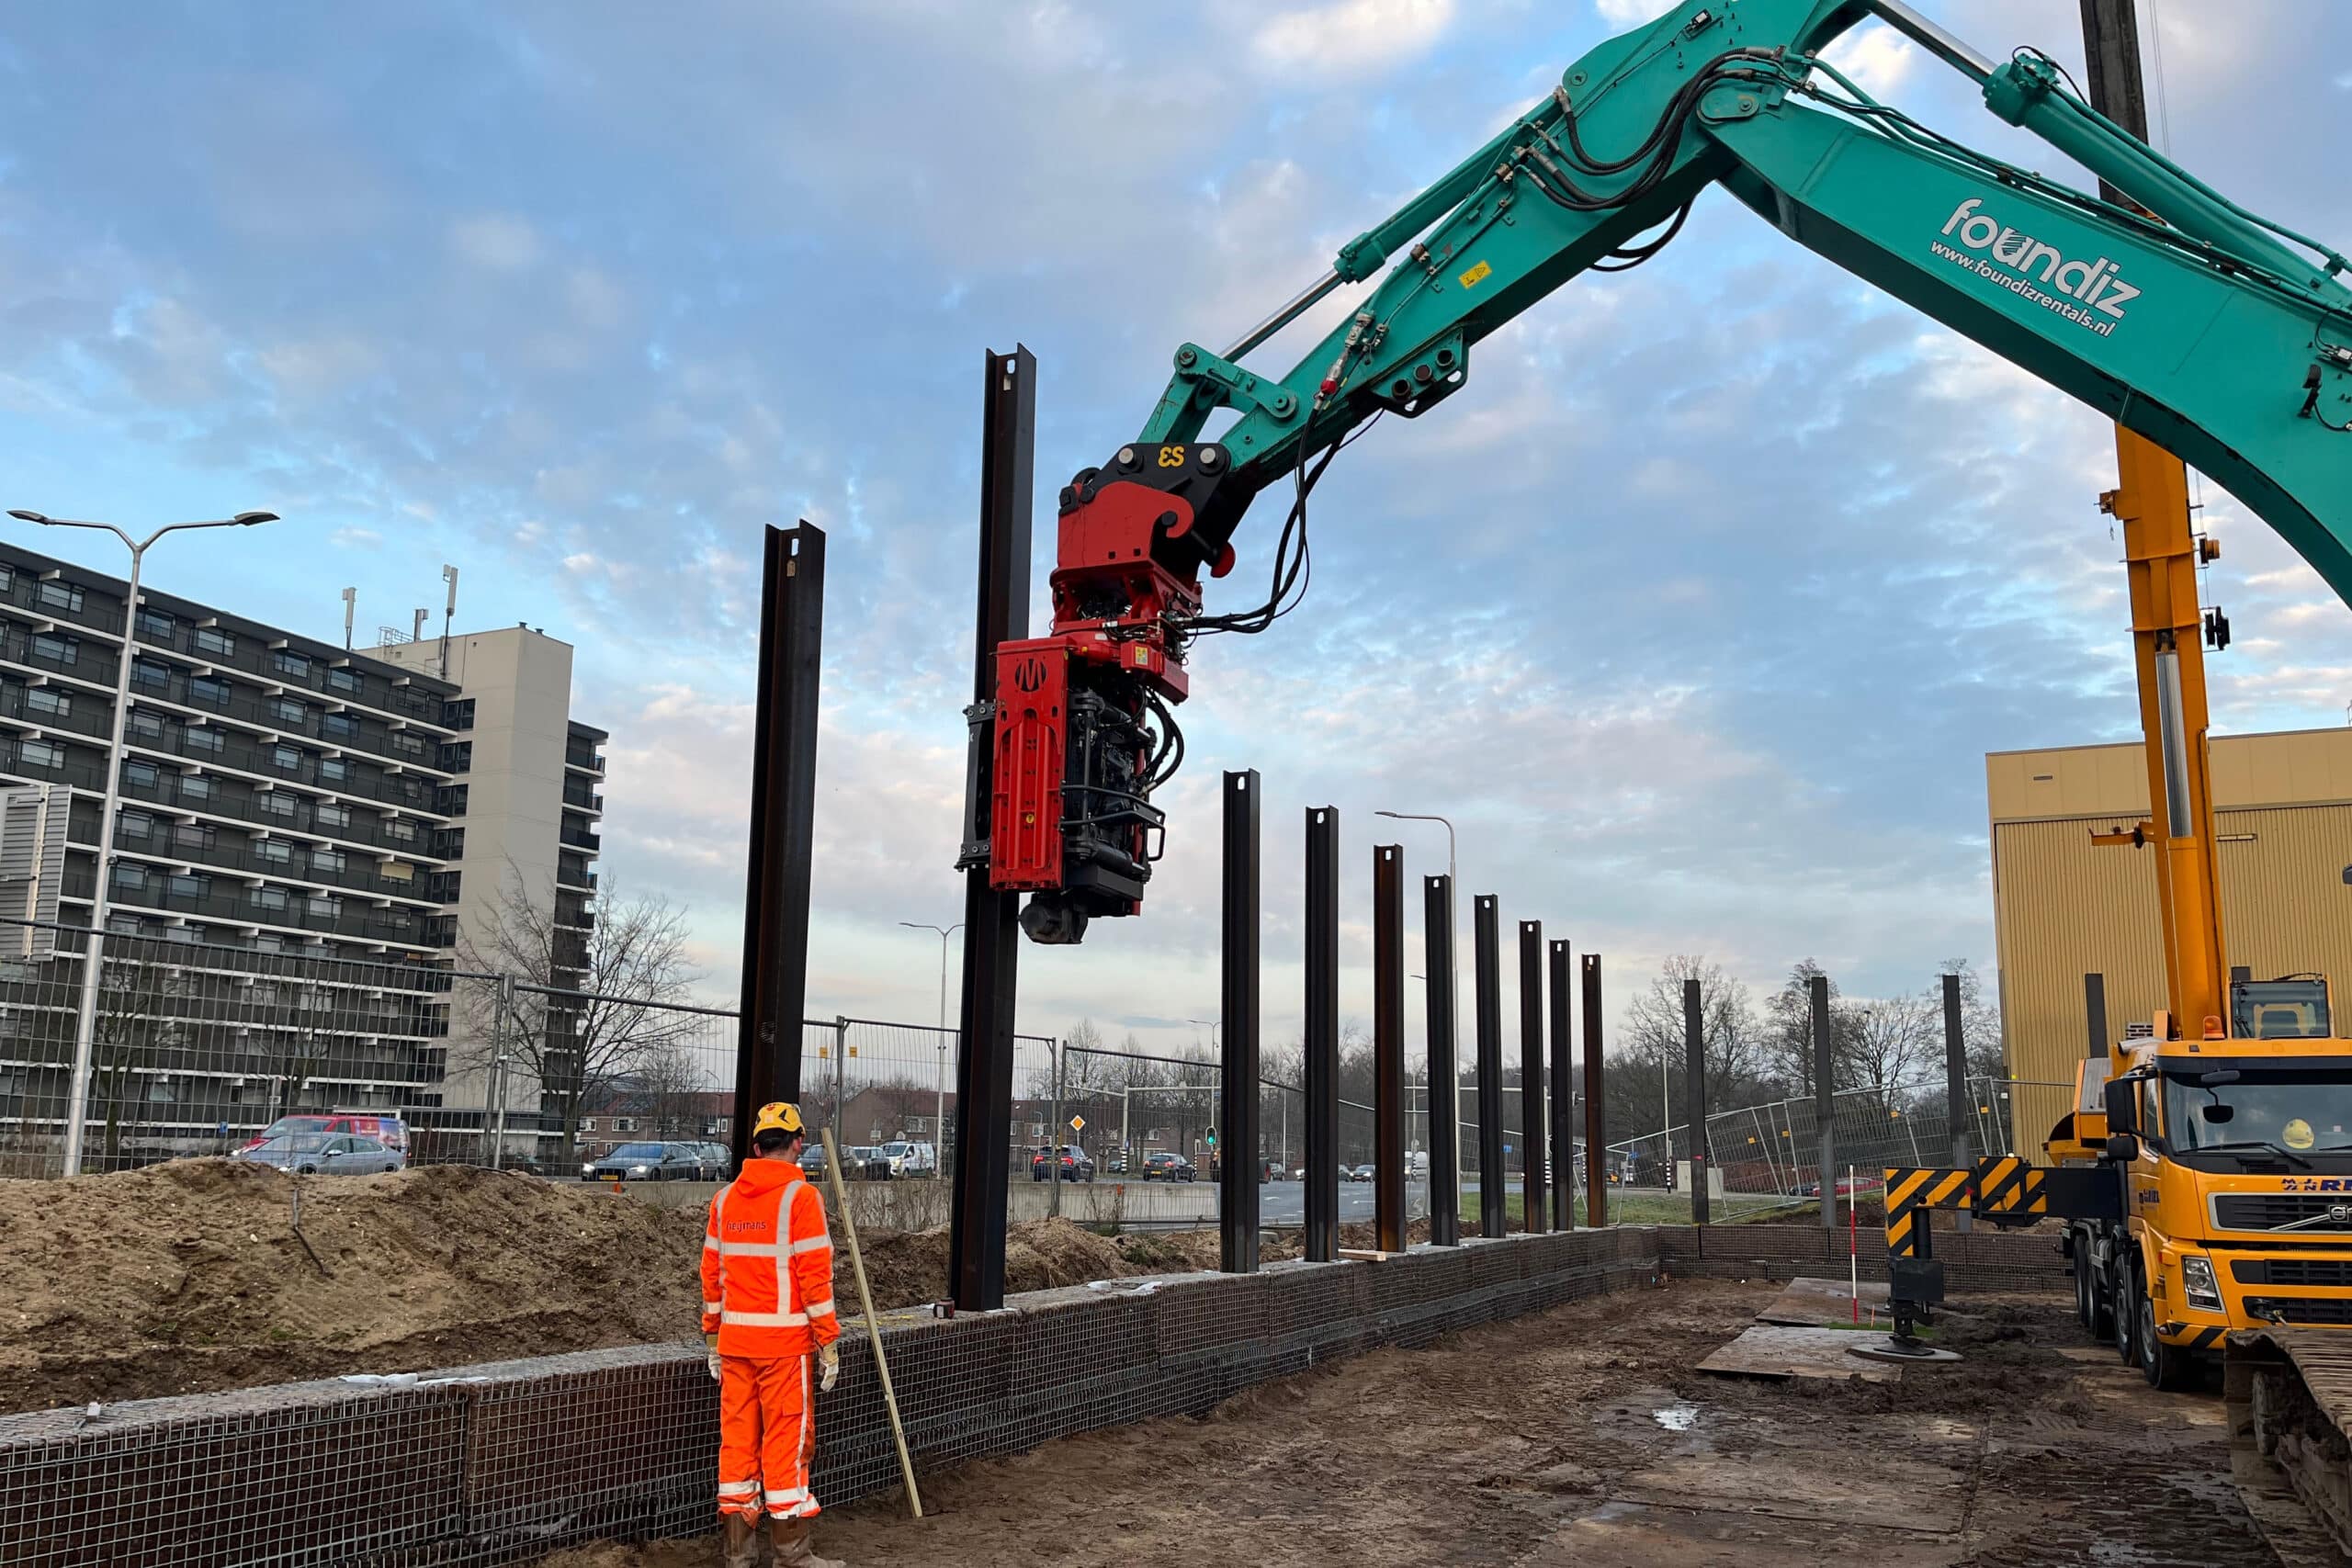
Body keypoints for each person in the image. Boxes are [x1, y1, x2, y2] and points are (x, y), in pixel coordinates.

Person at [703, 1101, 843, 1568]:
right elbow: (814, 1280)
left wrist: (711, 1338)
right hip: (784, 1351)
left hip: (734, 1347)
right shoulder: (800, 1199)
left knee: (737, 1446)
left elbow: (712, 1276)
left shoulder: (724, 1200)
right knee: (786, 1447)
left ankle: (737, 1556)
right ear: (798, 1143)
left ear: (757, 1146)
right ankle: (792, 1555)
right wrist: (828, 1340)